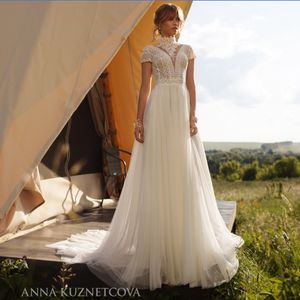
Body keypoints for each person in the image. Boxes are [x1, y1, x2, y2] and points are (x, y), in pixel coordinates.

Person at [47, 3, 244, 291]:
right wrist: (139, 121)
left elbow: (191, 85)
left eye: (177, 19)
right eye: (168, 19)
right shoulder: (149, 52)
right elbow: (144, 88)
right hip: (158, 111)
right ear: (159, 23)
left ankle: (182, 241)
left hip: (180, 111)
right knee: (159, 171)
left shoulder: (188, 50)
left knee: (182, 172)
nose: (174, 23)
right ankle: (159, 243)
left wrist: (192, 116)